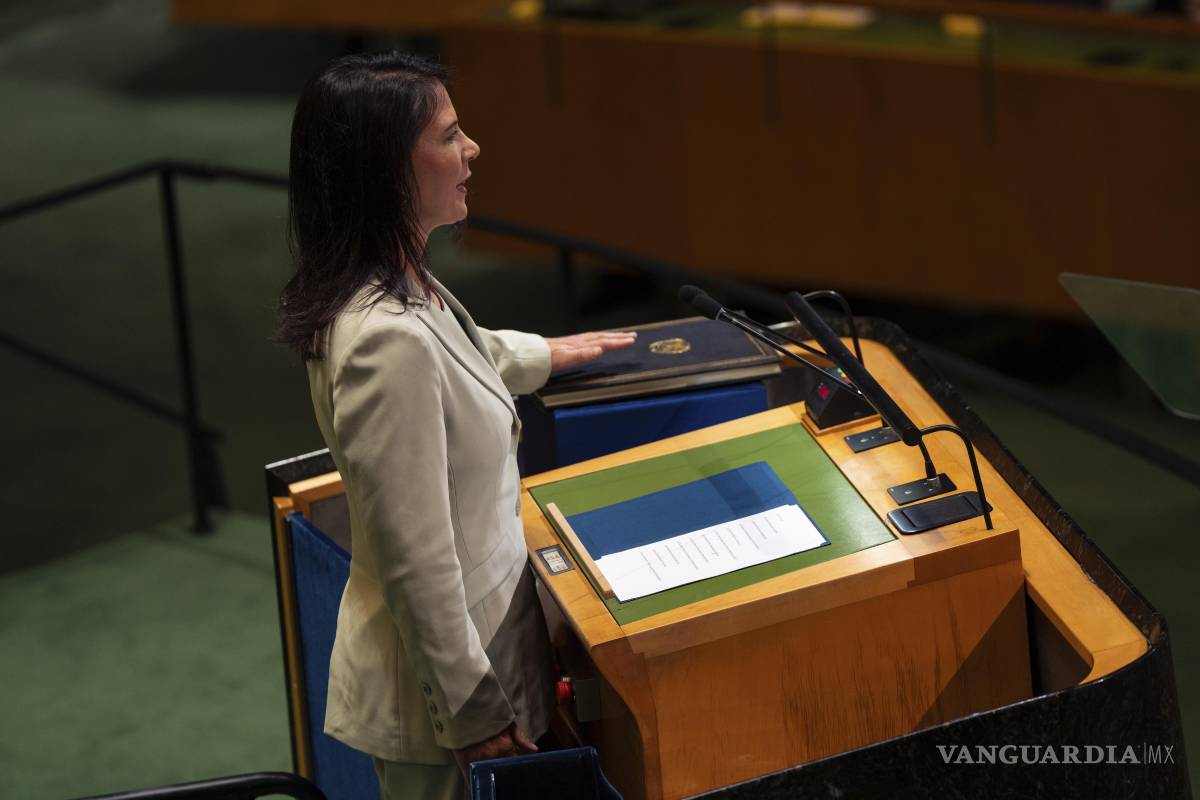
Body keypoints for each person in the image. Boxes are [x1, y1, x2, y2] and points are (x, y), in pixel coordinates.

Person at [277, 51, 636, 799]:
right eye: (448, 136)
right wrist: (474, 717)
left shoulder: (393, 280)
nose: (470, 150)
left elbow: (457, 358)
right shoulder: (383, 340)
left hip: (484, 661)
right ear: (385, 169)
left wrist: (544, 354)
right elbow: (416, 559)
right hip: (444, 706)